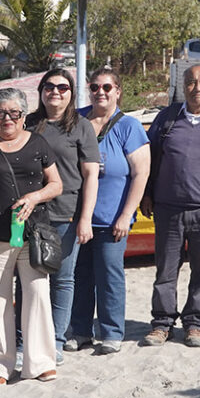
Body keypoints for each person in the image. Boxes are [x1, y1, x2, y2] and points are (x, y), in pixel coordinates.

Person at [0, 88, 62, 383]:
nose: (7, 119)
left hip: (32, 236)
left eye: (13, 113)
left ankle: (40, 362)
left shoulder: (39, 143)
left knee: (37, 297)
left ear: (23, 115)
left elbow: (56, 184)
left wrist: (34, 198)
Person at [140, 64, 200, 348]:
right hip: (167, 209)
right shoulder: (167, 118)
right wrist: (147, 194)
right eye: (192, 82)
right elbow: (150, 159)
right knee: (165, 270)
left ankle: (195, 324)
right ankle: (162, 323)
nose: (198, 87)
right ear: (183, 87)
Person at [17, 69, 99, 365]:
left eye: (62, 87)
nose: (55, 92)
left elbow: (90, 175)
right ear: (40, 91)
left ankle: (55, 341)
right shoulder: (28, 124)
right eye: (49, 86)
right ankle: (24, 339)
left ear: (71, 93)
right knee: (28, 279)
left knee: (63, 280)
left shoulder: (81, 126)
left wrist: (85, 218)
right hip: (30, 214)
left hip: (67, 213)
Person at [67, 68, 150, 355]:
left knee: (109, 275)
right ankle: (80, 330)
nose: (100, 92)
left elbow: (141, 173)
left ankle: (112, 332)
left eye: (106, 87)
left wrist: (127, 215)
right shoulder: (76, 120)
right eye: (94, 87)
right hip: (77, 217)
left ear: (118, 91)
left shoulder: (129, 126)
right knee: (79, 275)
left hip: (112, 217)